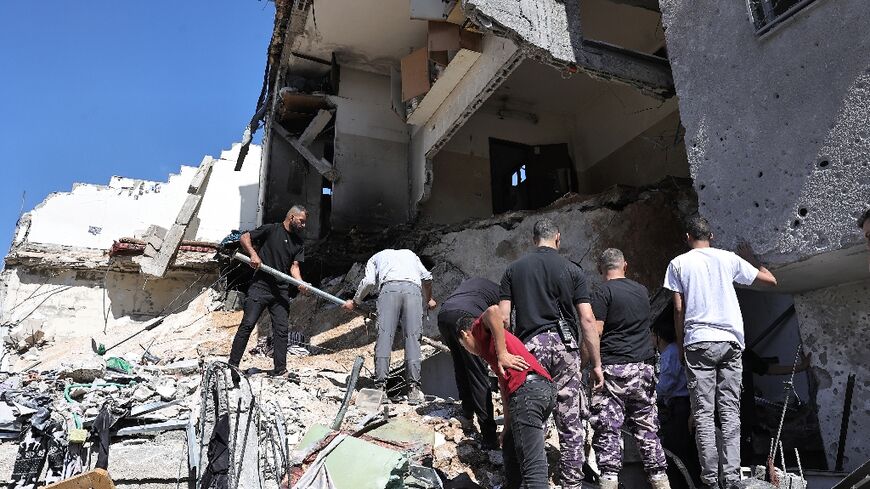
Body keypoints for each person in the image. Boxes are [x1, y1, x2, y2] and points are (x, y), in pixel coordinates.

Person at [663, 216, 777, 488]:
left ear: (687, 237)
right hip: (730, 341)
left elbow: (678, 308)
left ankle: (711, 480)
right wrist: (752, 259)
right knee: (730, 411)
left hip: (698, 341)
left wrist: (681, 346)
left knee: (702, 413)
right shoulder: (728, 259)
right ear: (711, 236)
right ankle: (733, 477)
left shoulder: (678, 263)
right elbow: (770, 281)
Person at [498, 218, 603, 489]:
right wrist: (595, 363)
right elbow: (588, 320)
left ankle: (534, 481)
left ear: (534, 239)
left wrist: (503, 354)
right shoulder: (573, 270)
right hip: (566, 348)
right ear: (558, 238)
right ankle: (571, 484)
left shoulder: (513, 270)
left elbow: (504, 320)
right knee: (570, 420)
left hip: (529, 351)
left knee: (532, 418)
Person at [589, 249, 670, 489]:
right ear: (625, 265)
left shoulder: (601, 292)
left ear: (600, 268)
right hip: (643, 368)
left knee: (608, 429)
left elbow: (597, 331)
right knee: (647, 429)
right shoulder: (642, 291)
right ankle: (660, 481)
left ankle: (609, 482)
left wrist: (590, 363)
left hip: (613, 369)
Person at [456, 306, 555, 489]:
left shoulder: (480, 332)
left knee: (533, 469)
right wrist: (507, 426)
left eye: (464, 345)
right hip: (539, 391)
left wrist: (502, 353)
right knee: (509, 444)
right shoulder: (491, 351)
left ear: (466, 334)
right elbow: (505, 389)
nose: (468, 351)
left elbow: (493, 311)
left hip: (528, 391)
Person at [343, 249, 436, 404]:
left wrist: (355, 302)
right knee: (413, 338)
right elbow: (427, 277)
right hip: (413, 291)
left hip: (389, 290)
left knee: (385, 337)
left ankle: (380, 389)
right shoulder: (411, 254)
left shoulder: (374, 257)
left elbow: (369, 282)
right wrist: (429, 299)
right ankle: (414, 390)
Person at [229, 206, 309, 377]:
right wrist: (253, 254)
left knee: (281, 330)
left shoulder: (298, 243)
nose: (303, 225)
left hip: (281, 290)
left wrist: (299, 283)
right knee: (248, 324)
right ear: (292, 217)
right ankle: (232, 366)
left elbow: (294, 267)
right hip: (261, 286)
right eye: (301, 221)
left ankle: (280, 370)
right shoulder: (272, 229)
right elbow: (245, 237)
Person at [438, 278, 500, 448]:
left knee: (461, 363)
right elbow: (503, 323)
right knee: (478, 373)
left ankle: (467, 413)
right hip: (466, 316)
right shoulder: (504, 293)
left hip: (444, 316)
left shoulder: (472, 284)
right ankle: (489, 435)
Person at [652, 304, 701, 488]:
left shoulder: (670, 352)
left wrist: (650, 394)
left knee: (676, 452)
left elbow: (667, 383)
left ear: (658, 336)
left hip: (680, 406)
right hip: (680, 405)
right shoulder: (671, 352)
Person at [740, 348, 811, 465]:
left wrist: (801, 367)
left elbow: (767, 368)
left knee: (743, 457)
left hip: (744, 418)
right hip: (721, 418)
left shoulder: (742, 352)